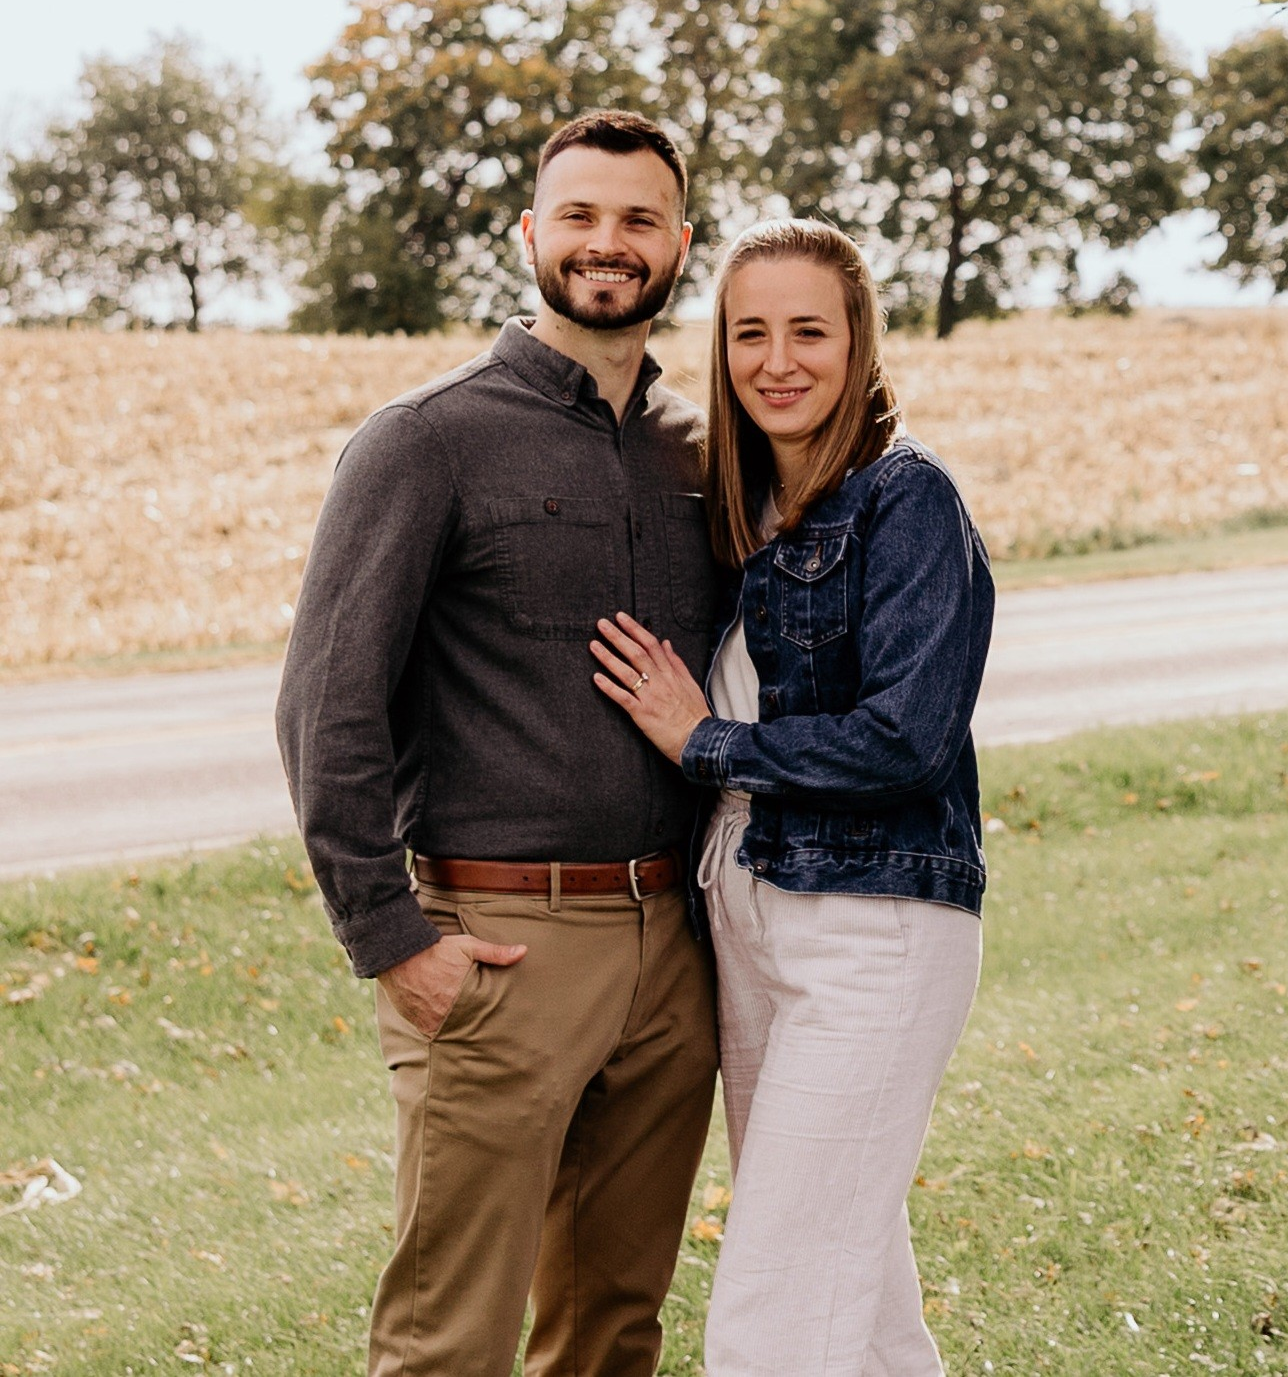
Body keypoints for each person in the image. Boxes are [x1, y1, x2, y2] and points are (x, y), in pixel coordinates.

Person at [276, 111, 719, 1377]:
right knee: (446, 1338)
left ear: (679, 243)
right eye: (578, 215)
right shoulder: (427, 439)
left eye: (639, 219)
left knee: (612, 1326)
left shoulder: (701, 447)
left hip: (671, 956)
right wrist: (391, 942)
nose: (608, 243)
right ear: (531, 234)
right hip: (502, 947)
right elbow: (325, 702)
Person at [592, 218, 995, 1377]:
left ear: (858, 342)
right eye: (748, 332)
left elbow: (903, 738)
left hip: (872, 926)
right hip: (752, 917)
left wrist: (702, 738)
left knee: (773, 1316)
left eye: (807, 330)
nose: (776, 359)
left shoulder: (903, 500)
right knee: (853, 1303)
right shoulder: (749, 505)